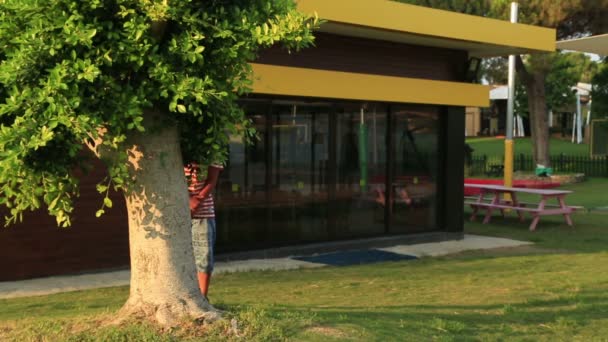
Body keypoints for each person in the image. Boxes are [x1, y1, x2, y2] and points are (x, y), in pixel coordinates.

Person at [184, 162, 223, 299]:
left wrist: (197, 200)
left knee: (204, 257)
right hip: (179, 212)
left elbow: (211, 180)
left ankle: (202, 298)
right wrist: (188, 200)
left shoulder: (213, 153)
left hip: (204, 214)